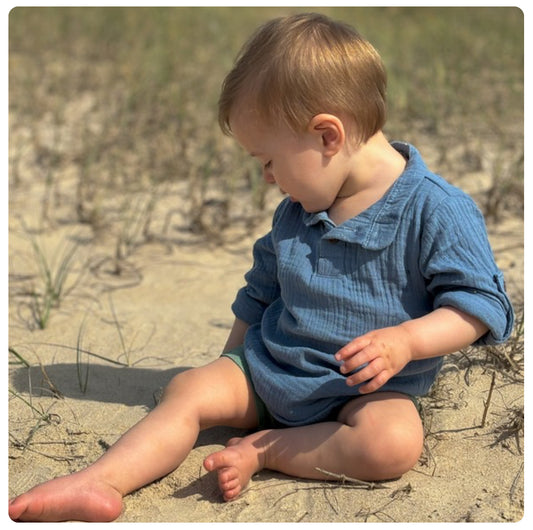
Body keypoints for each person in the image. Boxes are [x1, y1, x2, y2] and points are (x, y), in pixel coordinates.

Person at [9, 12, 513, 522]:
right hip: (274, 369)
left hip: (365, 394)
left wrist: (407, 341)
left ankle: (268, 450)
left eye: (268, 159)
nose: (268, 177)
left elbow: (480, 306)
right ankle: (99, 482)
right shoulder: (295, 213)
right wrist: (228, 365)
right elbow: (259, 294)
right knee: (189, 389)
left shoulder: (436, 209)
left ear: (327, 136)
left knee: (393, 445)